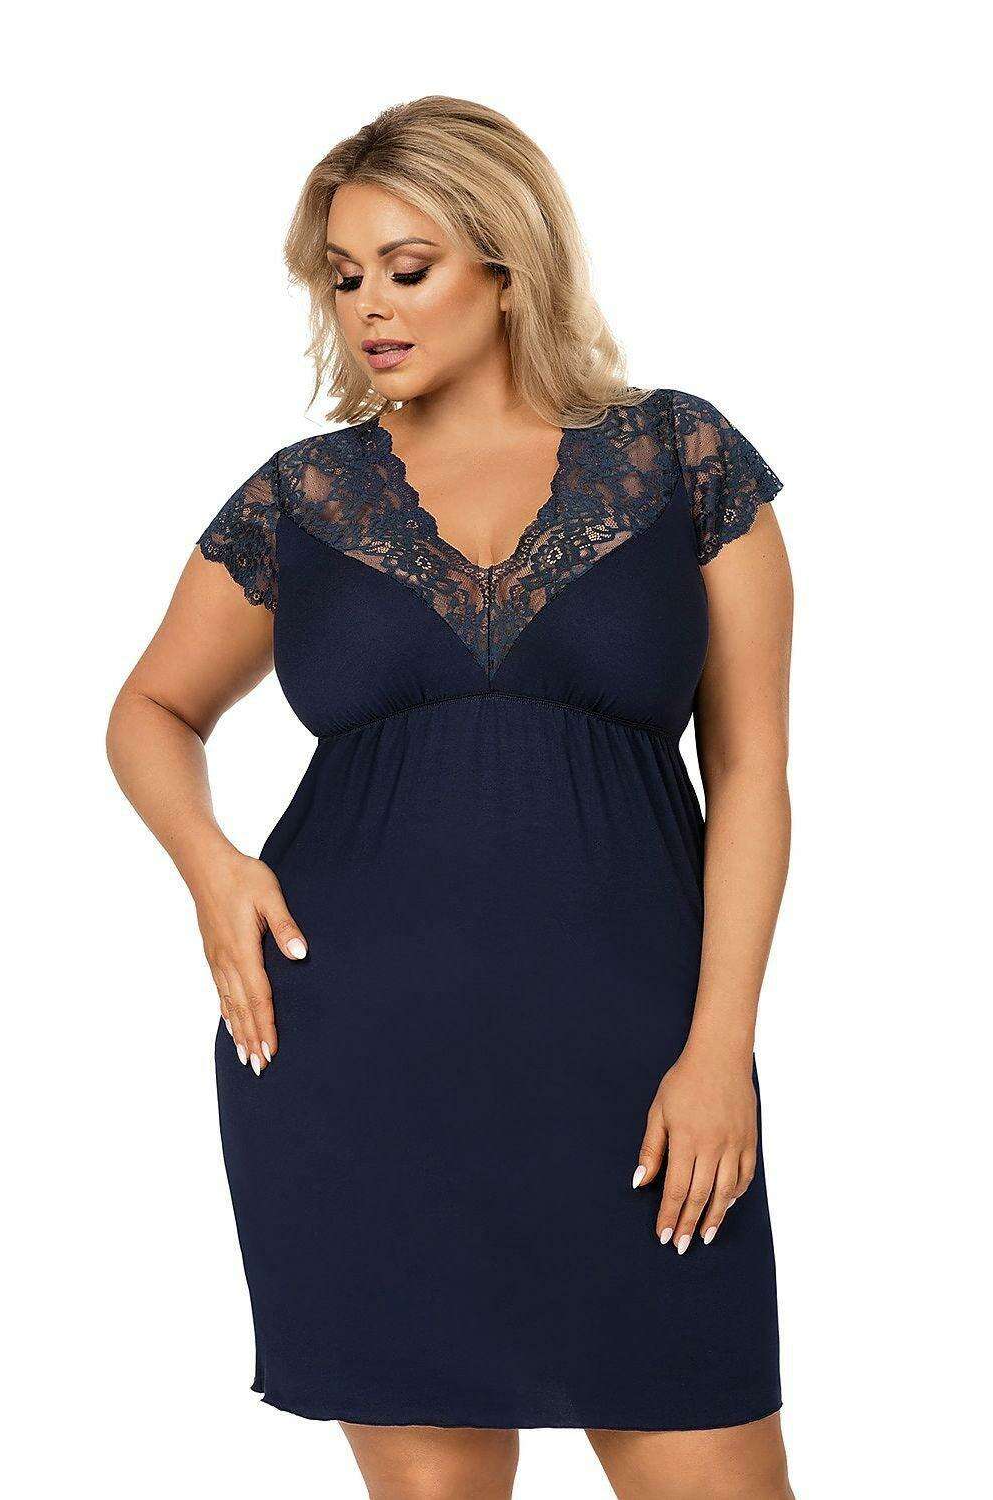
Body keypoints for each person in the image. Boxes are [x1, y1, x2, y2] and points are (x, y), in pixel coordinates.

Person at [106, 95, 795, 1500]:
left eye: (406, 269)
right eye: (342, 277)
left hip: (636, 1066)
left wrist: (720, 1048)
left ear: (507, 265)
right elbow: (149, 712)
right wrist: (213, 866)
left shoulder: (681, 458)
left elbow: (752, 772)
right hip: (357, 1058)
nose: (369, 307)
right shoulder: (305, 498)